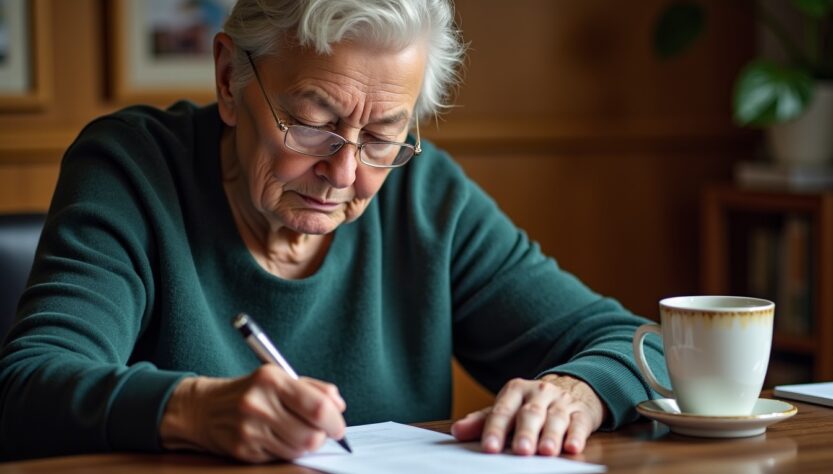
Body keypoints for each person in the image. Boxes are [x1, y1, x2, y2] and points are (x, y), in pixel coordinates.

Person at [0, 0, 666, 463]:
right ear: (230, 79)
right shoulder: (134, 169)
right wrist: (191, 410)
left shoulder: (423, 196)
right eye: (313, 122)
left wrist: (576, 393)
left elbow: (643, 348)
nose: (344, 171)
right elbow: (28, 389)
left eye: (382, 136)